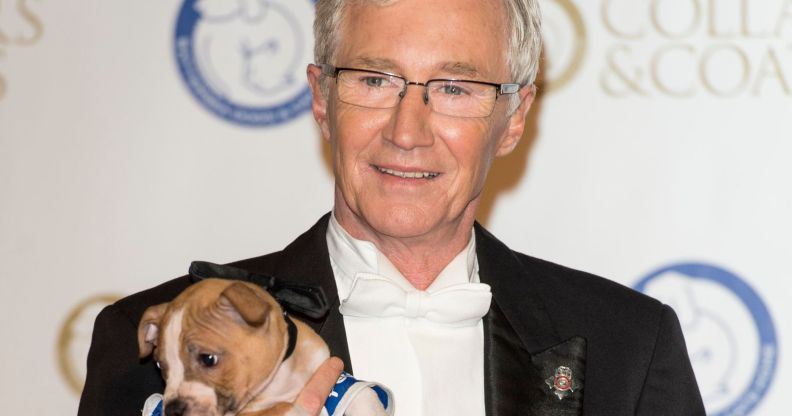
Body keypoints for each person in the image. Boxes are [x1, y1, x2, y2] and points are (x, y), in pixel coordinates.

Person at [79, 0, 706, 415]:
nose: (407, 131)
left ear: (513, 119)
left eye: (455, 88)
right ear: (322, 98)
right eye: (374, 81)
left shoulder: (629, 345)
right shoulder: (149, 342)